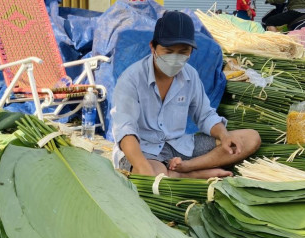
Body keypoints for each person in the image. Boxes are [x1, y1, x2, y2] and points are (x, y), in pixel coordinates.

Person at [111, 11, 260, 179]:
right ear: (153, 46)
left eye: (183, 52)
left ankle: (186, 168)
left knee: (250, 138)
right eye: (168, 51)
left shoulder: (190, 75)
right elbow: (126, 130)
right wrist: (142, 166)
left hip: (180, 146)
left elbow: (205, 116)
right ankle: (190, 175)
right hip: (145, 149)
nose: (175, 58)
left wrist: (224, 136)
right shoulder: (131, 79)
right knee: (152, 173)